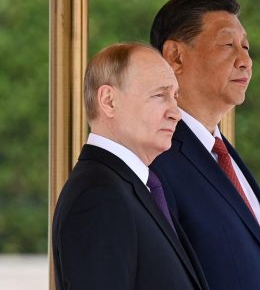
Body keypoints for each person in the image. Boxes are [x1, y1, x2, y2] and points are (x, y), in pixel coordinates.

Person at [149, 0, 260, 290]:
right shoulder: (153, 159)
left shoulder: (220, 151)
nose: (246, 61)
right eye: (228, 45)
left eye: (246, 47)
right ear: (175, 56)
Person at [52, 43, 209, 290]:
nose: (175, 112)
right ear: (109, 101)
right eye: (160, 95)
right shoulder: (99, 197)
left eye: (175, 96)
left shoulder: (132, 188)